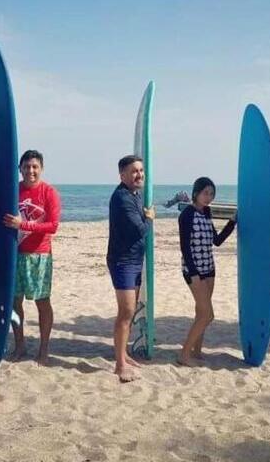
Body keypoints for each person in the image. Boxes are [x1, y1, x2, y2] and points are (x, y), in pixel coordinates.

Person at [4, 150, 61, 365]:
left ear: (41, 169)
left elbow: (53, 225)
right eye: (26, 167)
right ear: (20, 169)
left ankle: (43, 349)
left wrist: (24, 225)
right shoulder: (13, 190)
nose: (31, 171)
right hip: (14, 254)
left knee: (42, 302)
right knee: (14, 302)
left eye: (35, 167)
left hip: (40, 256)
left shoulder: (49, 192)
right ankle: (20, 345)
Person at [177, 177, 236, 366]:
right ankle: (184, 354)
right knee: (207, 315)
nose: (208, 197)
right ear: (196, 193)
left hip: (209, 268)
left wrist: (232, 222)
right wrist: (193, 273)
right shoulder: (187, 214)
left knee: (200, 311)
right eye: (205, 193)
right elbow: (185, 248)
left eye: (211, 194)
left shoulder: (207, 212)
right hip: (193, 270)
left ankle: (197, 351)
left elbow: (216, 241)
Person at [107, 155, 155, 382]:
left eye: (141, 171)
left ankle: (124, 355)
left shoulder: (135, 195)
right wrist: (150, 218)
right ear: (122, 175)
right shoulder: (122, 198)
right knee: (125, 312)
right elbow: (140, 229)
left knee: (130, 311)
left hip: (135, 260)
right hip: (122, 261)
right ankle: (119, 365)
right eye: (134, 171)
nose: (139, 175)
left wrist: (146, 215)